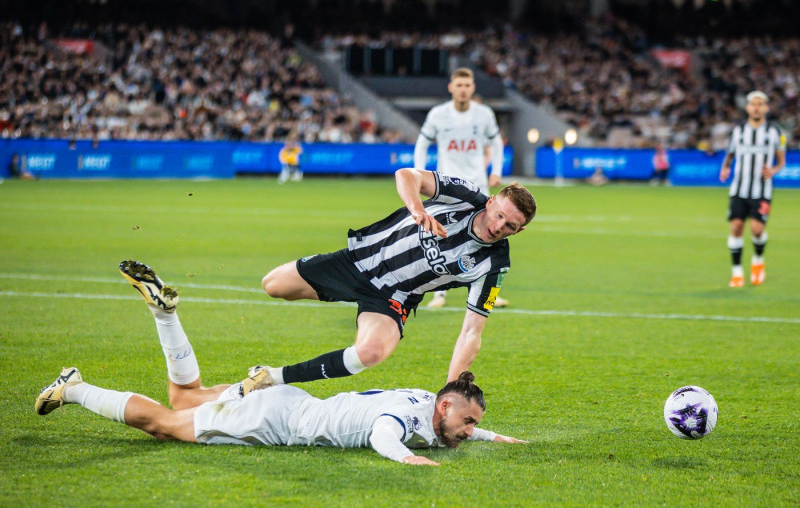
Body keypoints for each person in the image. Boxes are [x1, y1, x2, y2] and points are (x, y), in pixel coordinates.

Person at [34, 261, 526, 466]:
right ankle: (73, 388)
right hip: (271, 420)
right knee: (163, 424)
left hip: (289, 401)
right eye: (466, 423)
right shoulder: (403, 421)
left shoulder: (429, 399)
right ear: (442, 410)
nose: (467, 432)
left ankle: (165, 315)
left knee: (184, 397)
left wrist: (495, 435)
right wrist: (410, 460)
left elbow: (458, 420)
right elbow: (383, 435)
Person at [258, 168, 536, 388]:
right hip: (358, 259)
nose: (499, 227)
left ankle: (272, 377)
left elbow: (472, 332)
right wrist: (418, 209)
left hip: (392, 297)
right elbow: (406, 175)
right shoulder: (465, 195)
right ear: (490, 202)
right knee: (273, 285)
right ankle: (332, 285)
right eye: (499, 215)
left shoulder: (495, 264)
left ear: (519, 231)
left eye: (510, 226)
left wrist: (450, 389)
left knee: (370, 353)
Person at [413, 67, 508, 309]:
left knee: (490, 237)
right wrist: (418, 175)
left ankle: (488, 293)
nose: (463, 90)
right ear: (451, 88)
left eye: (467, 85)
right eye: (459, 85)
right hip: (449, 185)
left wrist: (496, 170)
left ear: (473, 88)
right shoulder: (438, 114)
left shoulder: (484, 114)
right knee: (440, 236)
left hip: (478, 183)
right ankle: (438, 294)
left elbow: (496, 142)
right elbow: (422, 144)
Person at [719, 90, 786, 287]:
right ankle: (737, 272)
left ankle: (758, 260)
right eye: (753, 104)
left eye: (760, 104)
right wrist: (725, 167)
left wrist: (773, 169)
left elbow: (781, 161)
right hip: (739, 189)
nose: (756, 107)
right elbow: (730, 153)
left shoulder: (775, 132)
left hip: (762, 190)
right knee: (736, 226)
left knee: (757, 230)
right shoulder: (738, 130)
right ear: (747, 107)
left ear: (766, 107)